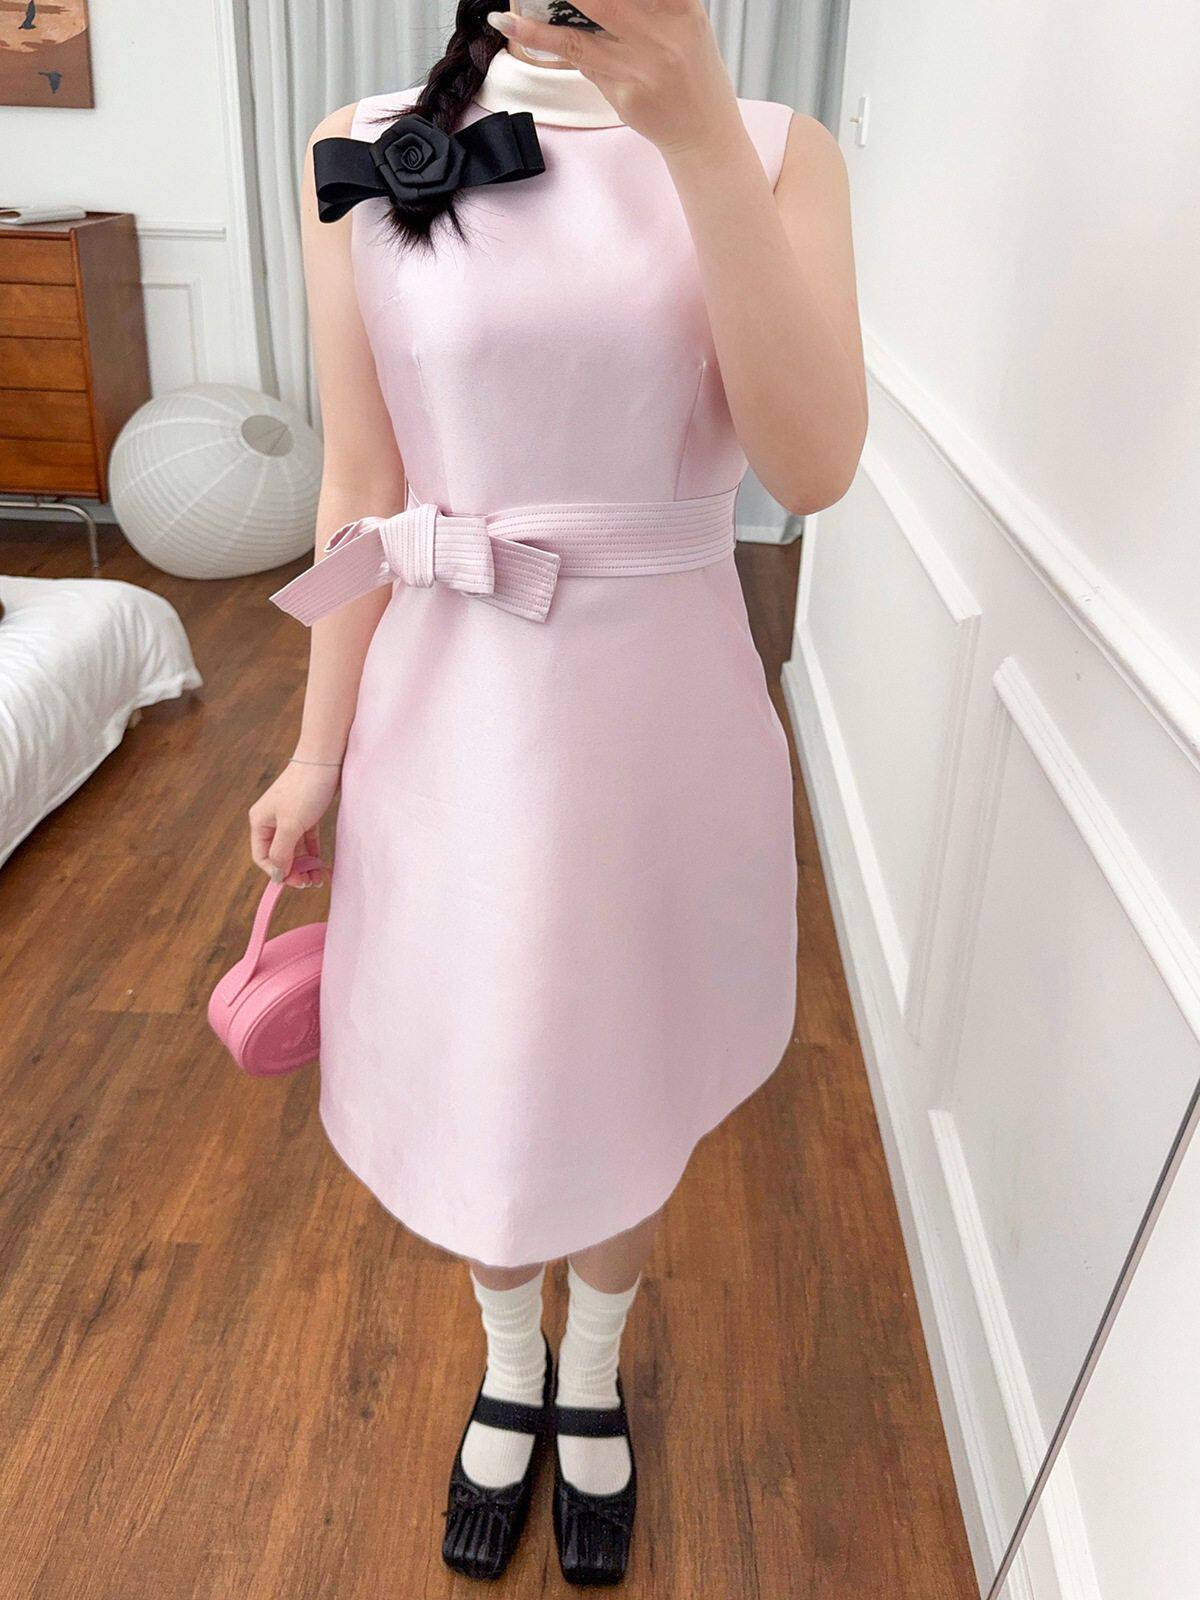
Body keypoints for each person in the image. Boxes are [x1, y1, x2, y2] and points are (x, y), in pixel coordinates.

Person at [248, 0, 865, 1584]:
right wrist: (316, 749)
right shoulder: (359, 145)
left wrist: (699, 134)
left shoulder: (779, 153)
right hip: (449, 708)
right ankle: (506, 1359)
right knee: (487, 1058)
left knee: (620, 1061)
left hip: (661, 718)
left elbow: (811, 469)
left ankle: (591, 1372)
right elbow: (361, 482)